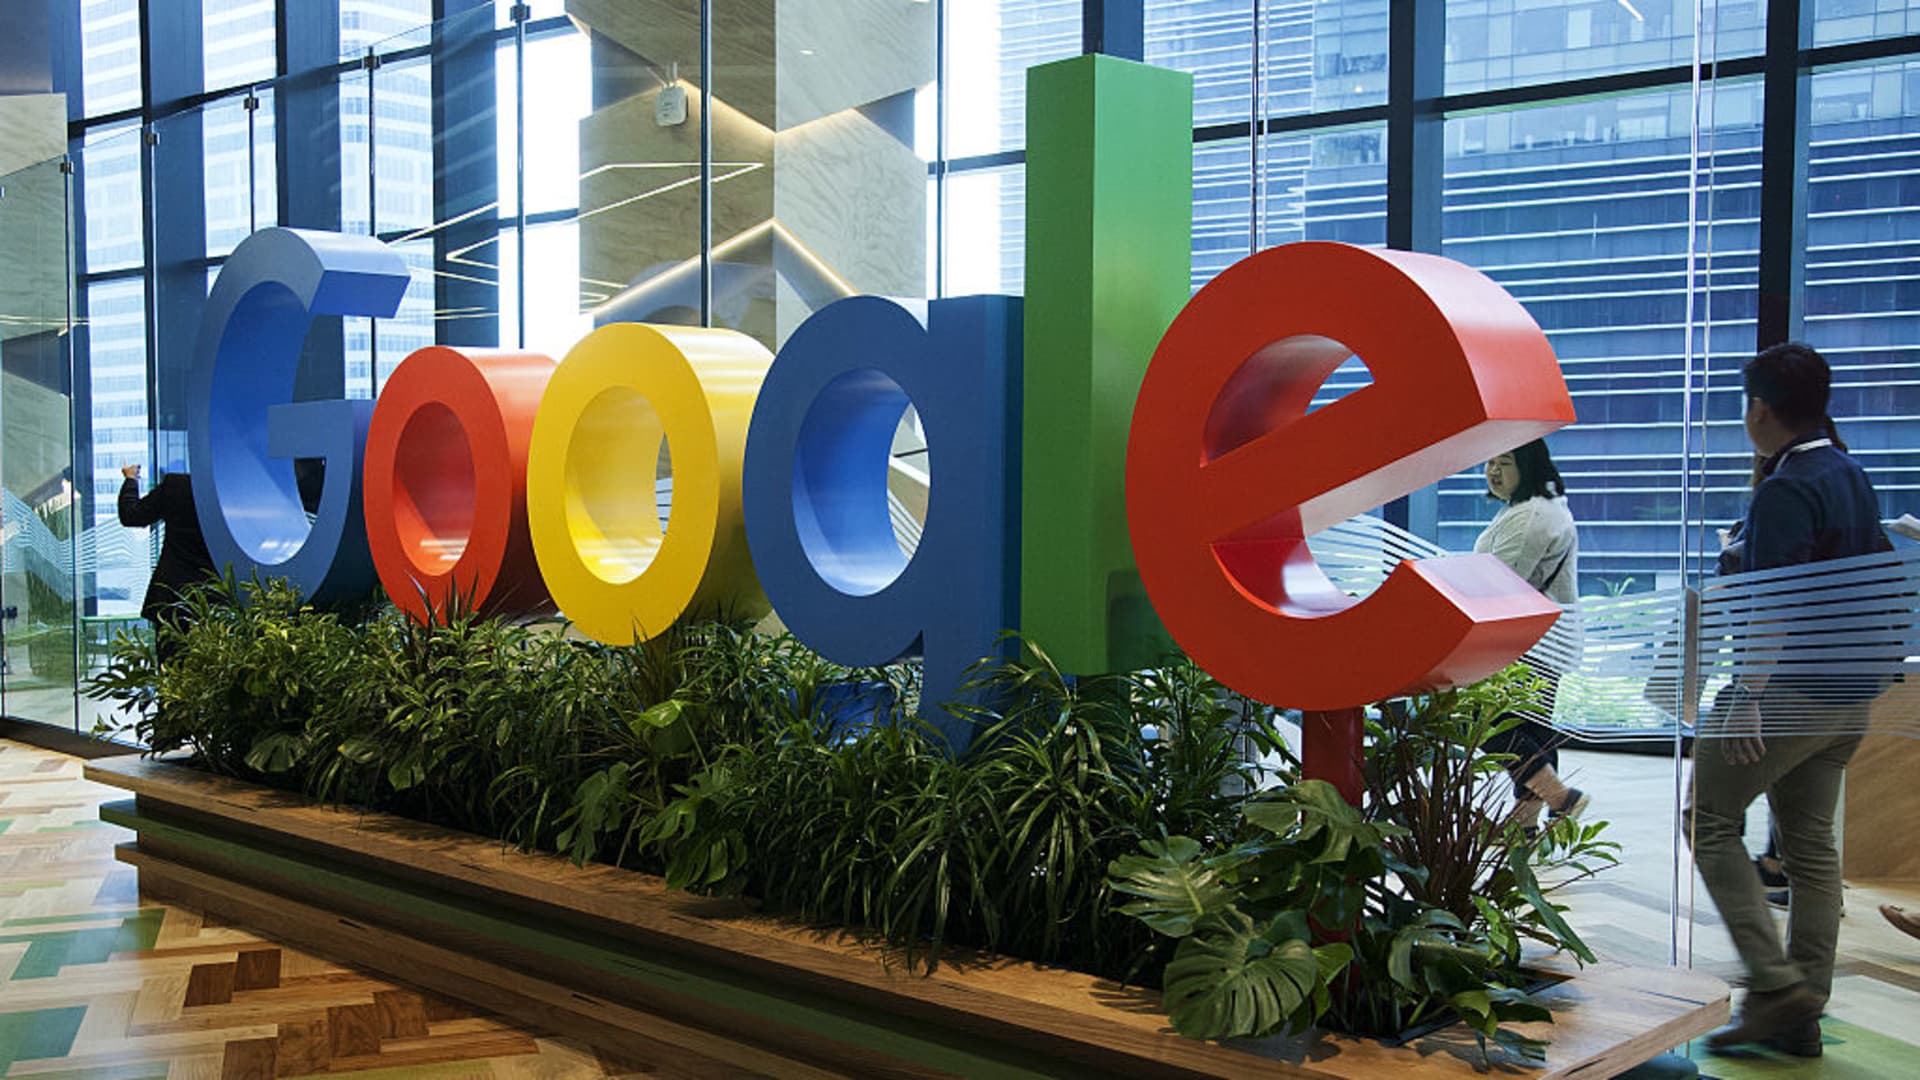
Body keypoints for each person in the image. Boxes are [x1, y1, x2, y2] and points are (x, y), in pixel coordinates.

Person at [1689, 343, 1887, 1059]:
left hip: (1789, 694)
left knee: (1708, 821)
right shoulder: (1848, 471)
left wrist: (1746, 696)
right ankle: (1804, 1005)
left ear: (1760, 408)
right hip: (1851, 701)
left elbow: (1774, 608)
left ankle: (1775, 989)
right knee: (1810, 849)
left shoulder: (1785, 489)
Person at [1475, 438, 1587, 828]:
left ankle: (1560, 797)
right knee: (1532, 728)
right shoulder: (1532, 508)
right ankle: (1525, 821)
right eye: (1490, 461)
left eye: (1504, 462)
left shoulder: (1533, 516)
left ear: (1530, 465)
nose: (1493, 471)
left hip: (1530, 642)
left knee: (1489, 724)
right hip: (1544, 640)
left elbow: (1501, 580)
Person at [118, 464, 217, 654]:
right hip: (215, 595)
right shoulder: (234, 495)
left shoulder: (177, 487)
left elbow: (131, 515)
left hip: (172, 593)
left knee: (171, 667)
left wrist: (131, 479)